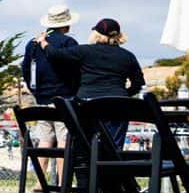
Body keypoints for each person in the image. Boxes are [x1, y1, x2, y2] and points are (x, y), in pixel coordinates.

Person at [44, 17, 145, 150]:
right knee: (114, 148)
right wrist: (124, 94)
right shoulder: (128, 56)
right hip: (118, 105)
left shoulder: (85, 51)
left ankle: (88, 163)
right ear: (119, 36)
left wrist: (43, 42)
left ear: (96, 34)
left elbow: (55, 55)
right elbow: (138, 83)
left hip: (87, 102)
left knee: (85, 146)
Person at [21, 4, 80, 185]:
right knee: (64, 140)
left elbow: (26, 69)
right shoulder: (68, 43)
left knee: (45, 140)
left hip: (42, 98)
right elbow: (76, 70)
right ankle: (63, 183)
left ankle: (40, 183)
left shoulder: (32, 44)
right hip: (64, 97)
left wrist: (35, 91)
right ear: (66, 24)